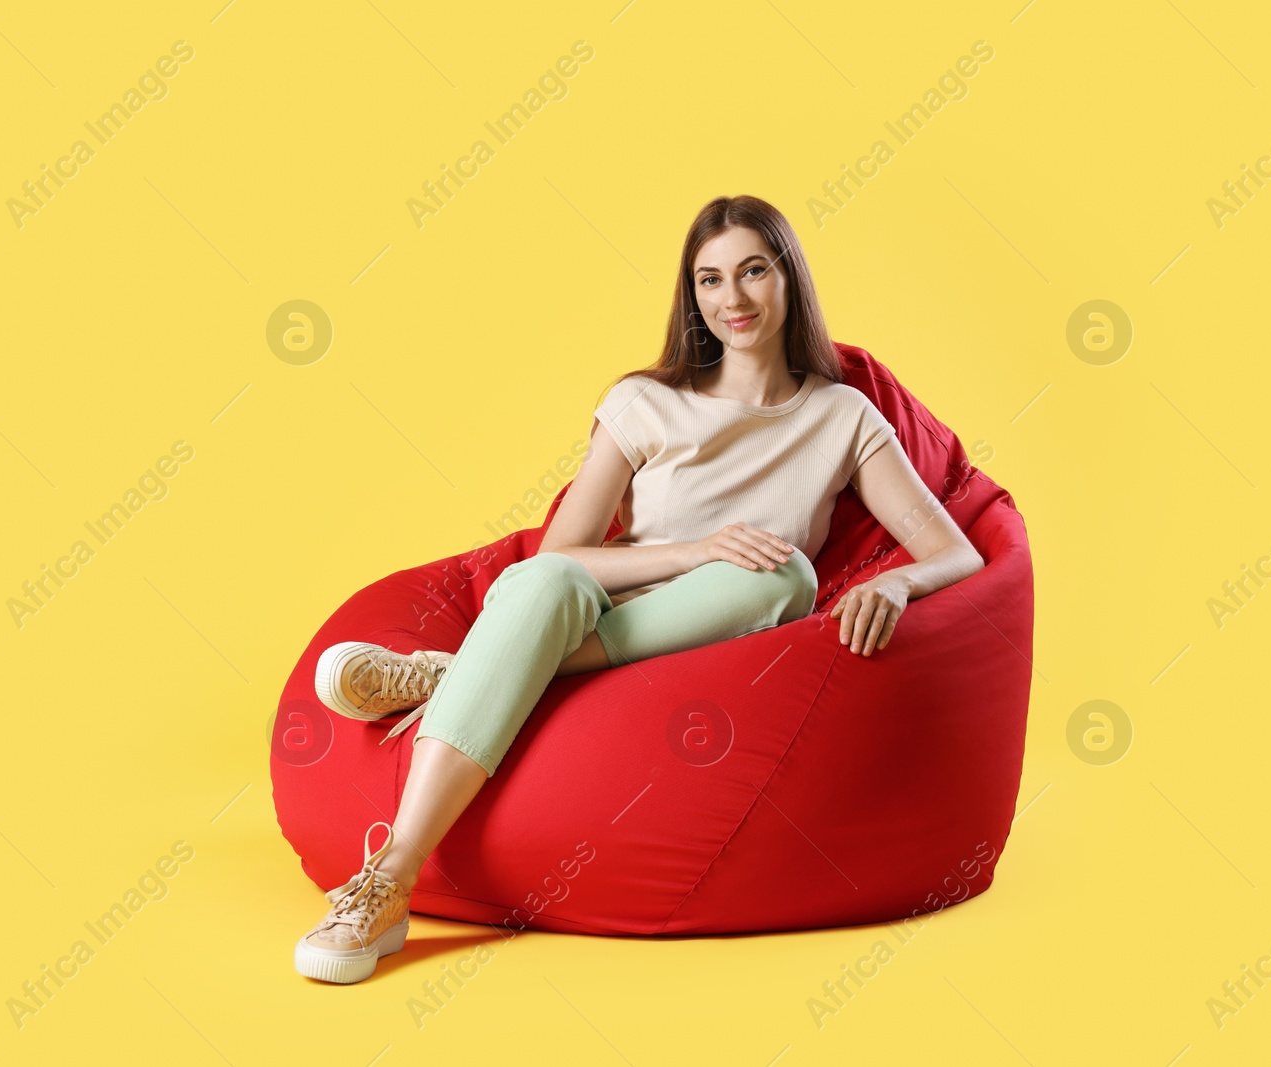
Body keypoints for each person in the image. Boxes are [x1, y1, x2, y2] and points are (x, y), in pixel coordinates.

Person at [293, 194, 986, 984]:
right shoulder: (645, 402)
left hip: (726, 620)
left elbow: (954, 553)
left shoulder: (840, 415)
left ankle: (451, 675)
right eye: (710, 279)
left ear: (789, 278)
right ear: (692, 297)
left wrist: (898, 585)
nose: (733, 299)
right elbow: (559, 557)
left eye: (753, 271)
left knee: (787, 572)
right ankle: (389, 877)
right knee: (551, 579)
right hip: (609, 604)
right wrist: (694, 549)